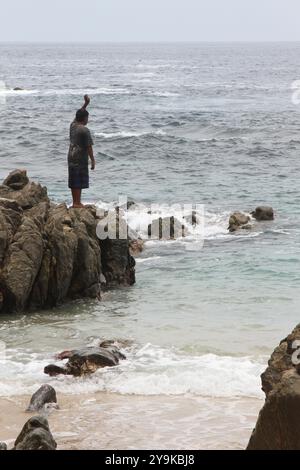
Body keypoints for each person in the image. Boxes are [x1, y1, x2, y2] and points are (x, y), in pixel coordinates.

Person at [68, 95, 95, 208]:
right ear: (84, 119)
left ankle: (76, 202)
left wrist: (86, 104)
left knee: (74, 180)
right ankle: (77, 203)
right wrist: (92, 160)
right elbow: (89, 146)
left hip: (71, 156)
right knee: (78, 180)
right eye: (87, 118)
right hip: (80, 158)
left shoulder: (73, 125)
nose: (88, 120)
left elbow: (79, 114)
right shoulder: (84, 130)